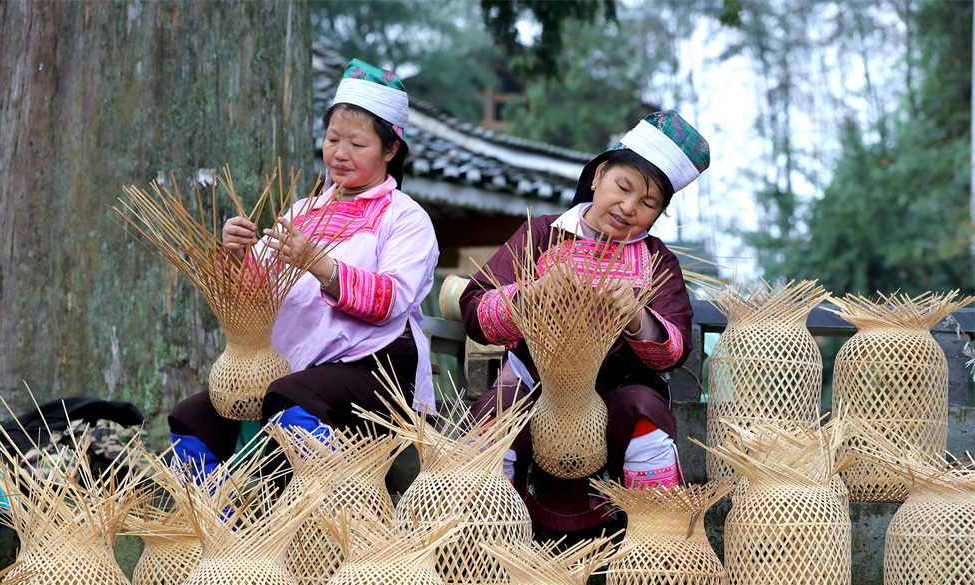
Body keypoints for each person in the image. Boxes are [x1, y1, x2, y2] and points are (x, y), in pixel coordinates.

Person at [168, 59, 439, 473]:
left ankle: (331, 508)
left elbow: (390, 300)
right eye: (332, 140)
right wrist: (237, 256)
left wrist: (317, 263)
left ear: (390, 149)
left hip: (377, 366)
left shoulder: (405, 217)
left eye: (357, 144)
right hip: (295, 366)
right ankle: (227, 530)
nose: (340, 154)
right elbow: (257, 295)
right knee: (191, 420)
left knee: (289, 397)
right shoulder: (303, 211)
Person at [459, 110, 709, 535]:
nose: (629, 207)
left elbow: (673, 350)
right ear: (597, 175)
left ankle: (658, 544)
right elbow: (476, 308)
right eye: (623, 187)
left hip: (617, 388)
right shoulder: (542, 235)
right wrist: (531, 297)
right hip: (534, 383)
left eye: (649, 203)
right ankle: (489, 546)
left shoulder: (656, 260)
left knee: (643, 410)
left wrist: (635, 317)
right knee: (495, 416)